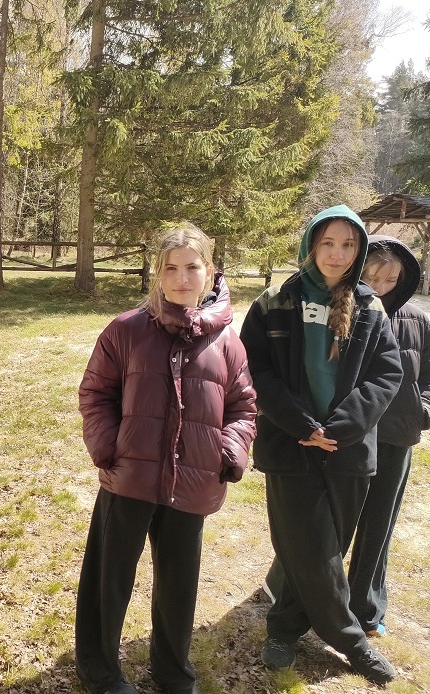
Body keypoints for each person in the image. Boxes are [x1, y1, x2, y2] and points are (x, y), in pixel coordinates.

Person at [75, 223, 256, 694]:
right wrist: (108, 447)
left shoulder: (228, 342)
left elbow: (243, 406)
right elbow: (96, 392)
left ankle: (173, 673)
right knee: (109, 580)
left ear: (210, 271)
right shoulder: (126, 330)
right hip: (130, 476)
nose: (181, 278)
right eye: (170, 268)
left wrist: (228, 451)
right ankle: (99, 671)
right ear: (157, 273)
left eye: (192, 267)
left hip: (193, 481)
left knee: (178, 586)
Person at [240, 205, 402, 684]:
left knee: (323, 548)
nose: (337, 254)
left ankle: (285, 628)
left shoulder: (370, 307)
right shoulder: (274, 302)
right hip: (292, 444)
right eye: (328, 242)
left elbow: (387, 373)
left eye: (348, 245)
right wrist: (301, 424)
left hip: (347, 449)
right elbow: (255, 369)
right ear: (311, 244)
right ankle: (351, 640)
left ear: (359, 251)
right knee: (309, 546)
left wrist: (342, 428)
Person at [347, 235, 430, 638]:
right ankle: (297, 592)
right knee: (330, 523)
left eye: (390, 279)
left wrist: (422, 410)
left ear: (404, 278)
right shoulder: (341, 312)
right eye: (372, 277)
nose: (380, 288)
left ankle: (365, 608)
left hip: (396, 438)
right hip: (348, 436)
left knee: (378, 526)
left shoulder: (418, 320)